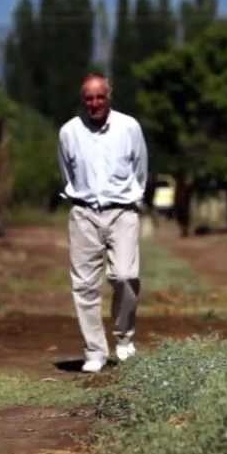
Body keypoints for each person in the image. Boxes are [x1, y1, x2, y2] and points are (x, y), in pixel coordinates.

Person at [57, 72, 149, 373]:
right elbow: (67, 173)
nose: (94, 103)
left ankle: (124, 339)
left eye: (100, 97)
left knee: (125, 275)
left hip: (122, 211)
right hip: (84, 213)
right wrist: (81, 199)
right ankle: (95, 351)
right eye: (89, 98)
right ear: (82, 100)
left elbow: (140, 168)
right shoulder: (69, 132)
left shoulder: (128, 127)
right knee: (84, 285)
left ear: (109, 97)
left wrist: (132, 199)